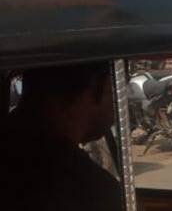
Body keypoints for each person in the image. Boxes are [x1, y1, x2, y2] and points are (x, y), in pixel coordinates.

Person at [0, 62, 122, 211]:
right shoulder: (90, 191)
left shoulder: (11, 147)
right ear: (101, 86)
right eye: (116, 89)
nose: (117, 104)